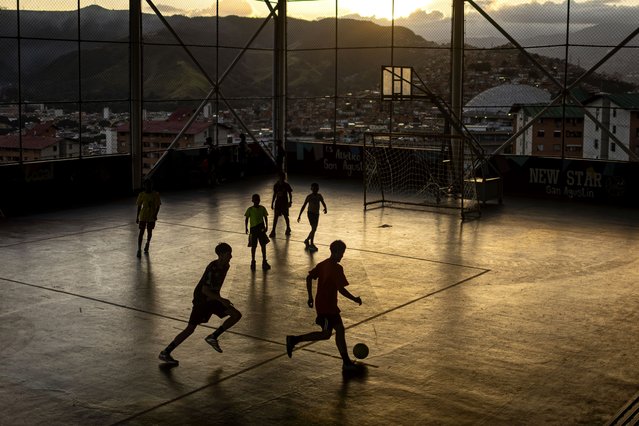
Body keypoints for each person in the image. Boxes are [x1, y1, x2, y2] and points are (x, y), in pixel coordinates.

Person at [159, 243, 242, 365]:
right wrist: (221, 300)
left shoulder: (226, 266)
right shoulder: (212, 267)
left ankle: (213, 336)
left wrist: (219, 299)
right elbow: (205, 290)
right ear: (221, 255)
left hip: (213, 299)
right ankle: (166, 352)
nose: (231, 256)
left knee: (236, 315)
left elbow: (216, 286)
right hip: (202, 300)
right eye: (228, 254)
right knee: (190, 329)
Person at [286, 240, 362, 371]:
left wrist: (310, 296)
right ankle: (294, 339)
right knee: (326, 334)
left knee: (340, 329)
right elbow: (341, 289)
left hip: (327, 305)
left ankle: (346, 362)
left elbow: (309, 278)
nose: (342, 256)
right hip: (326, 308)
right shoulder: (337, 269)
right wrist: (354, 299)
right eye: (342, 253)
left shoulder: (323, 264)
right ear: (336, 252)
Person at [297, 182, 327, 251]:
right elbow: (304, 206)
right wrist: (299, 215)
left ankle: (307, 240)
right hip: (310, 214)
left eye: (316, 188)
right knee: (313, 228)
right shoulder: (309, 197)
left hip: (316, 214)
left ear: (318, 189)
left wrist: (325, 208)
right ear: (311, 189)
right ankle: (311, 243)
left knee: (314, 229)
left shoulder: (319, 196)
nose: (315, 190)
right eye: (313, 188)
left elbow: (323, 202)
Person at [244, 194, 271, 271]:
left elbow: (265, 217)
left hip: (261, 229)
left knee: (263, 245)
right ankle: (253, 261)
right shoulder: (250, 209)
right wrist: (246, 228)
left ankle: (264, 261)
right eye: (255, 200)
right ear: (252, 201)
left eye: (258, 200)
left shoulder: (262, 208)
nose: (256, 201)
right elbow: (246, 219)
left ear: (259, 200)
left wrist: (266, 226)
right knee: (253, 246)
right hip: (253, 230)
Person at [135, 179, 161, 258]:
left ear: (151, 186)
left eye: (149, 185)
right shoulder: (141, 195)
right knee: (141, 232)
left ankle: (147, 243)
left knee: (149, 231)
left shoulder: (155, 195)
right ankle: (139, 249)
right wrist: (137, 217)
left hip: (151, 216)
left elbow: (158, 206)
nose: (148, 187)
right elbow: (139, 206)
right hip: (143, 216)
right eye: (146, 185)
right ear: (144, 186)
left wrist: (155, 215)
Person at [270, 172, 292, 238]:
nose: (281, 178)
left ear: (284, 178)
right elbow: (274, 194)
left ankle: (288, 228)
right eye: (280, 177)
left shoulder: (286, 185)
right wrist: (272, 203)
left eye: (282, 177)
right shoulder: (276, 185)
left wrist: (290, 202)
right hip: (278, 203)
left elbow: (290, 193)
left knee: (286, 216)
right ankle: (273, 231)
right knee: (275, 217)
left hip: (284, 203)